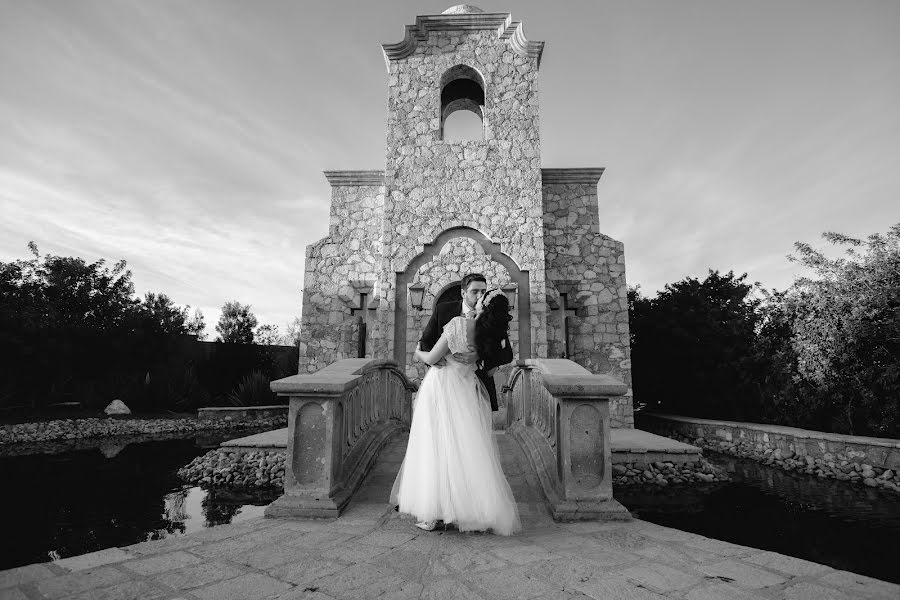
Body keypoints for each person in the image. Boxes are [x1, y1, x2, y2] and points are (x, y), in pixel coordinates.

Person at [389, 287, 522, 535]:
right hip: (467, 391)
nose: (477, 297)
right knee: (465, 449)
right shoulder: (491, 334)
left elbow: (431, 358)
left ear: (482, 304)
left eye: (481, 295)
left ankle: (434, 512)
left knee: (435, 446)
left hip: (441, 388)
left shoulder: (458, 325)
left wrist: (417, 350)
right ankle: (471, 510)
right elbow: (491, 371)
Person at [418, 273, 514, 411]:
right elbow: (426, 341)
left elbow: (506, 354)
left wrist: (479, 356)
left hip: (479, 387)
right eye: (475, 291)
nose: (480, 296)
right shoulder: (443, 310)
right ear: (463, 293)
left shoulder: (492, 317)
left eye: (483, 291)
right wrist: (434, 360)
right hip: (446, 384)